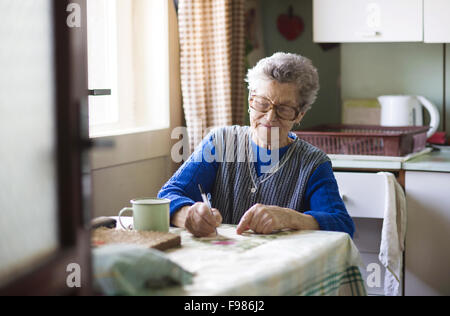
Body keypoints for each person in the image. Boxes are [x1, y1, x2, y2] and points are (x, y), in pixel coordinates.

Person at [158, 52, 354, 238]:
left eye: (284, 109)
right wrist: (189, 216)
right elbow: (167, 196)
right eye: (262, 103)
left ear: (300, 114)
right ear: (250, 99)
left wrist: (289, 217)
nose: (270, 117)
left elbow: (342, 224)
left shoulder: (313, 163)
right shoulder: (220, 142)